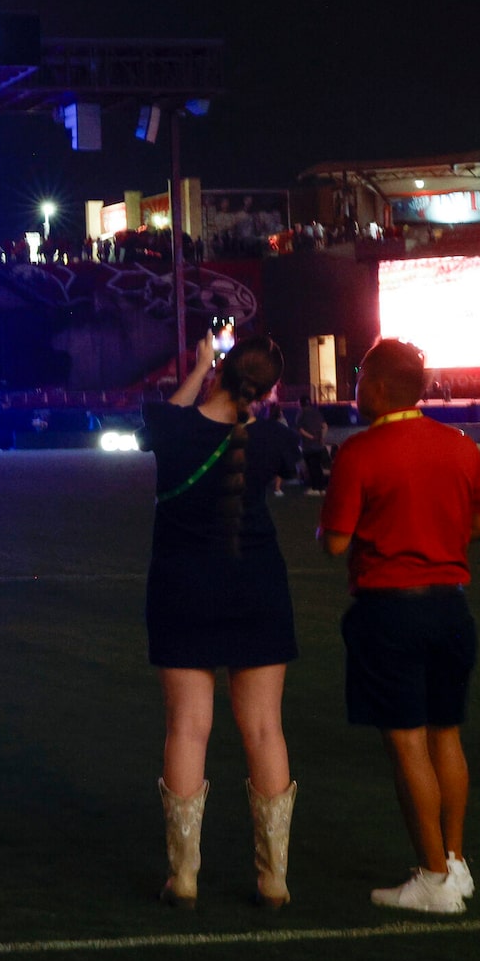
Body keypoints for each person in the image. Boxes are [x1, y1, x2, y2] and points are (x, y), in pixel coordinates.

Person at [319, 339, 480, 915]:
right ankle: (457, 862)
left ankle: (433, 877)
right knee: (447, 734)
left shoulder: (361, 453)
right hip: (452, 606)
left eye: (359, 377)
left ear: (375, 385)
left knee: (407, 742)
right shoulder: (461, 447)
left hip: (390, 609)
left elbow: (336, 542)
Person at [143, 330, 303, 908]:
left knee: (187, 726)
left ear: (223, 370)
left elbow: (169, 418)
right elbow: (276, 462)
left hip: (182, 590)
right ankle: (274, 879)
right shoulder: (277, 440)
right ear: (268, 388)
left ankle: (183, 878)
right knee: (264, 728)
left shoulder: (173, 429)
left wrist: (201, 367)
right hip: (256, 587)